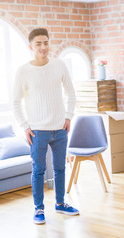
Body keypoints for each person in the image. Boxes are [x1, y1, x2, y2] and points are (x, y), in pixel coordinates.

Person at [12, 28, 79, 224]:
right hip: (37, 131)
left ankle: (60, 204)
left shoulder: (59, 65)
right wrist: (25, 126)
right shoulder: (23, 71)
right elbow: (15, 102)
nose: (43, 47)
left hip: (60, 129)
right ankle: (39, 209)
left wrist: (68, 116)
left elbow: (71, 93)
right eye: (39, 44)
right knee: (38, 170)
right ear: (31, 47)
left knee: (60, 169)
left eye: (46, 43)